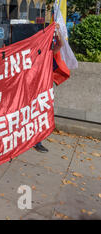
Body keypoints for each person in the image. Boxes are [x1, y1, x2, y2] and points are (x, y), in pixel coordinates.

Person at [34, 24, 64, 153]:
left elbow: (60, 45)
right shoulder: (33, 54)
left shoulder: (49, 54)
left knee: (41, 114)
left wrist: (57, 31)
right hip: (31, 90)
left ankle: (38, 141)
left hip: (43, 91)